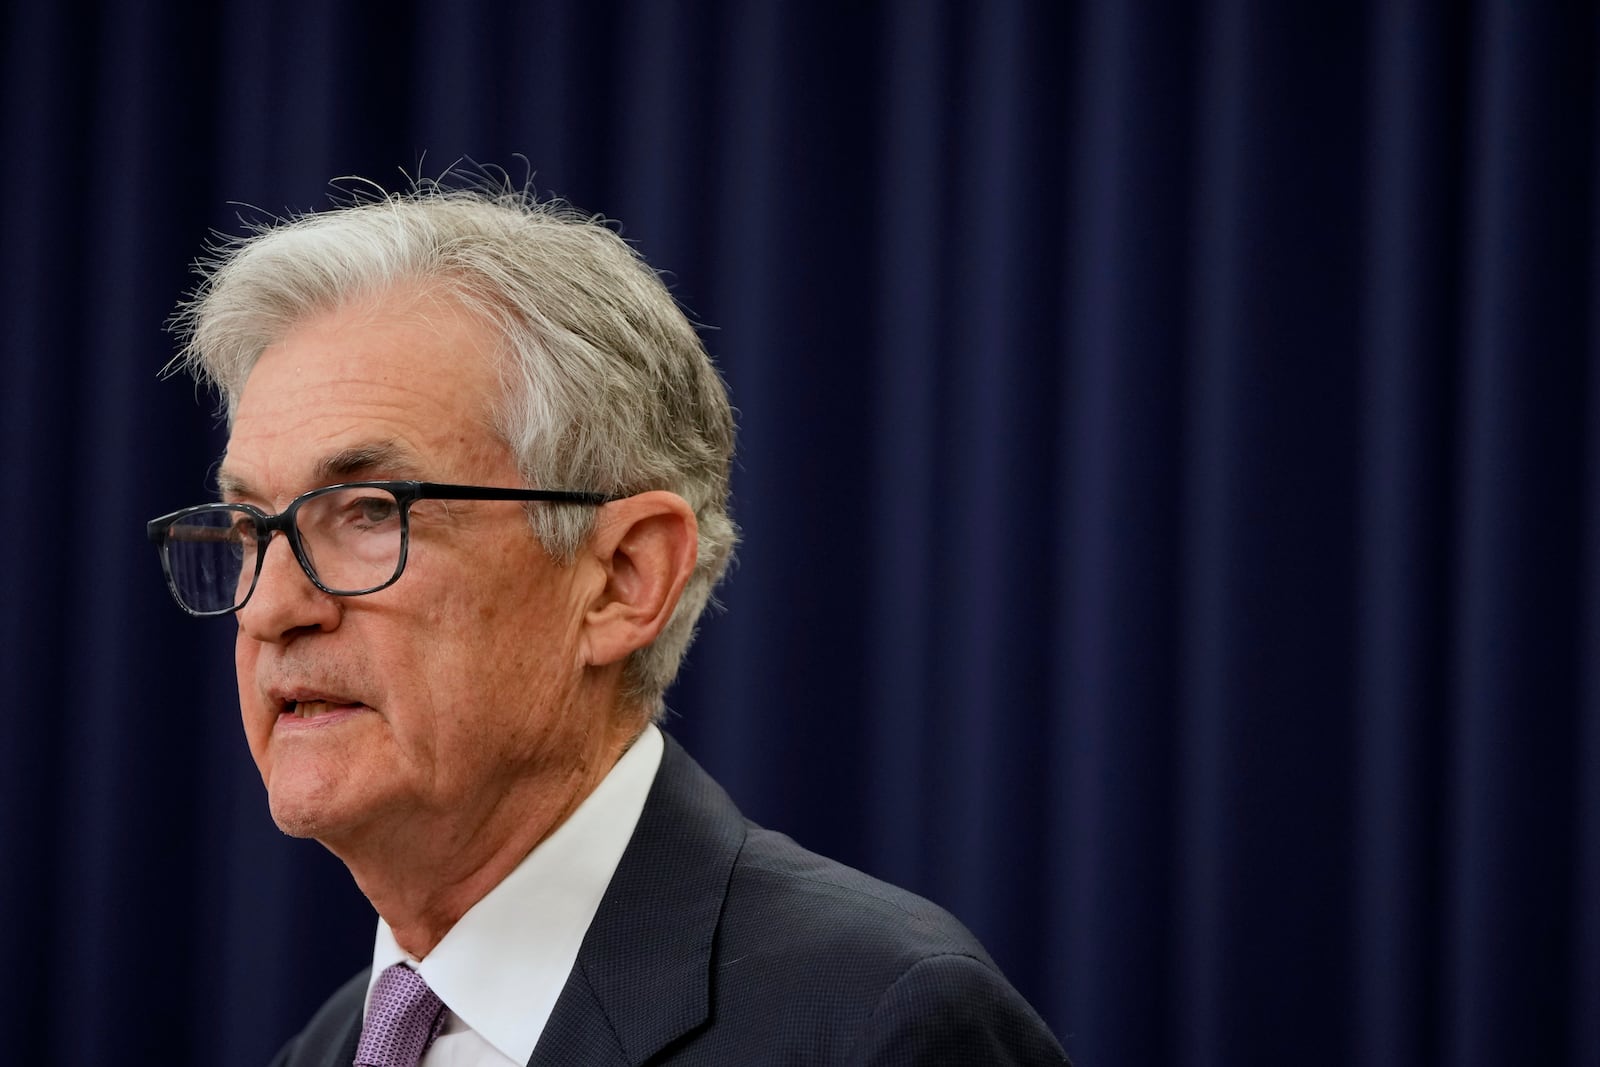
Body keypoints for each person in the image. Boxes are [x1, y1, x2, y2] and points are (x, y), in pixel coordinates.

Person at [147, 178, 1068, 1066]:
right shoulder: (329, 1048)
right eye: (249, 527)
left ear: (624, 577)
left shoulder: (880, 1027)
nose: (270, 607)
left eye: (369, 510)